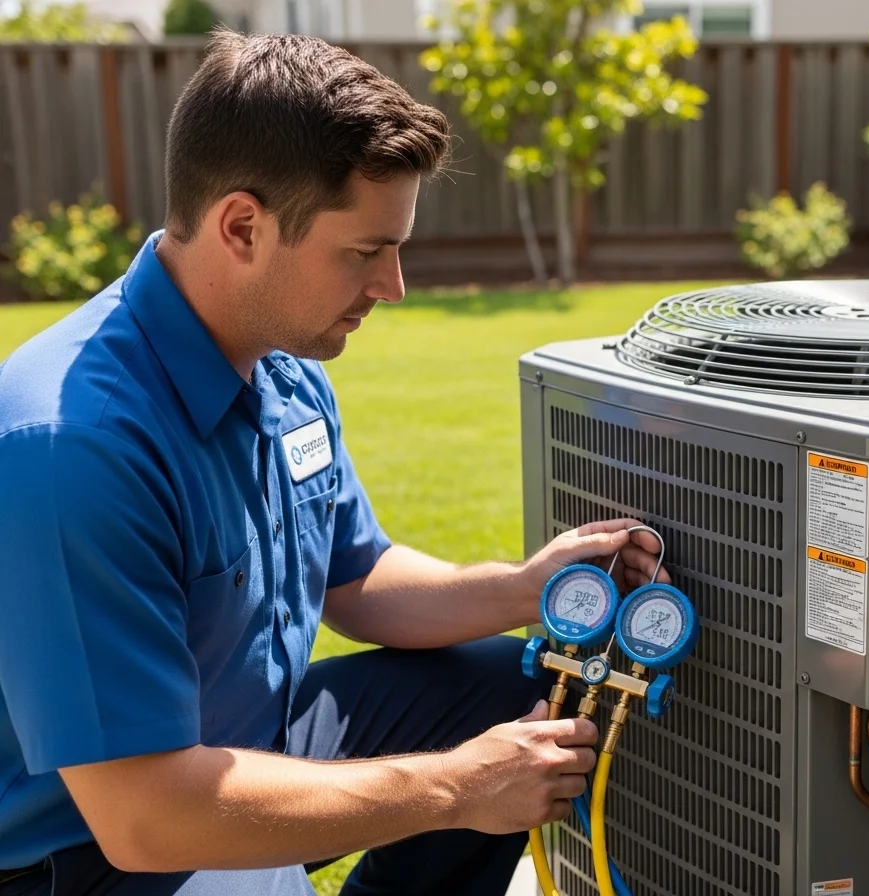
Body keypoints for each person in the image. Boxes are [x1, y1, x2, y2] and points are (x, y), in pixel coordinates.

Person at [0, 29, 667, 896]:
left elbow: (358, 579)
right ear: (243, 228)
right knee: (470, 772)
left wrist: (525, 588)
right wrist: (456, 787)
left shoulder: (284, 367)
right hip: (94, 851)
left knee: (512, 687)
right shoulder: (76, 445)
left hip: (243, 746)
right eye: (364, 252)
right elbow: (143, 816)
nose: (393, 286)